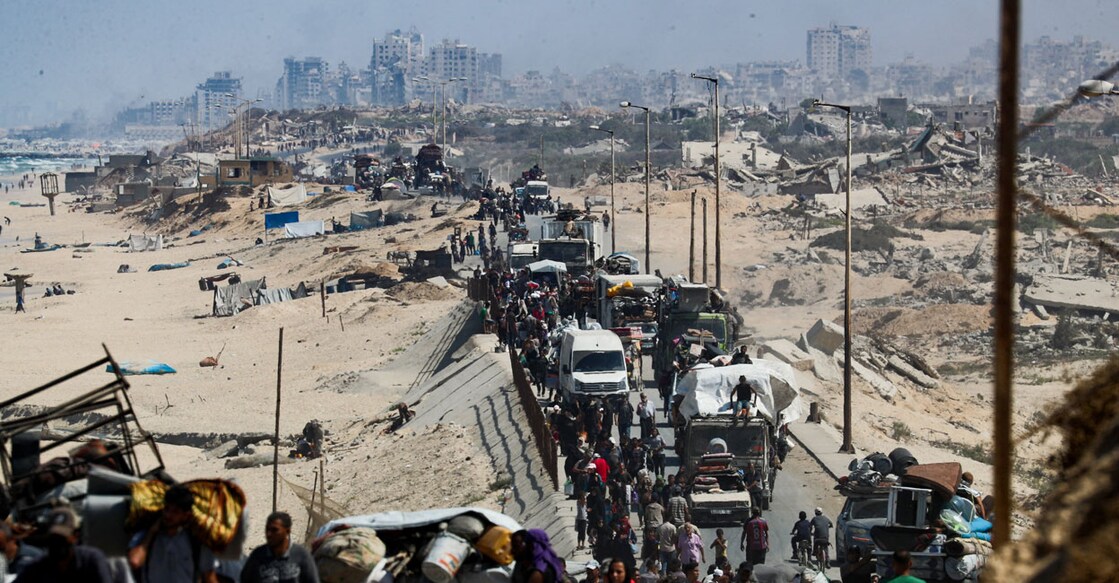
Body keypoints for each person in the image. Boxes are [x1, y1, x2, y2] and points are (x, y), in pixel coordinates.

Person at [128, 484, 219, 583]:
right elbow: (135, 561)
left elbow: (210, 578)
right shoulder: (147, 535)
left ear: (186, 516)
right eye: (167, 509)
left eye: (175, 512)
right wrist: (150, 534)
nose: (168, 515)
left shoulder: (196, 541)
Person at [14, 507, 112, 583]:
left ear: (75, 536)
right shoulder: (37, 568)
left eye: (62, 539)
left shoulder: (91, 560)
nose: (57, 543)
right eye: (53, 539)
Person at [240, 511, 319, 583]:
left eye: (275, 530)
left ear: (287, 531)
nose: (269, 534)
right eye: (267, 529)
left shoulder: (301, 555)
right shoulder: (258, 555)